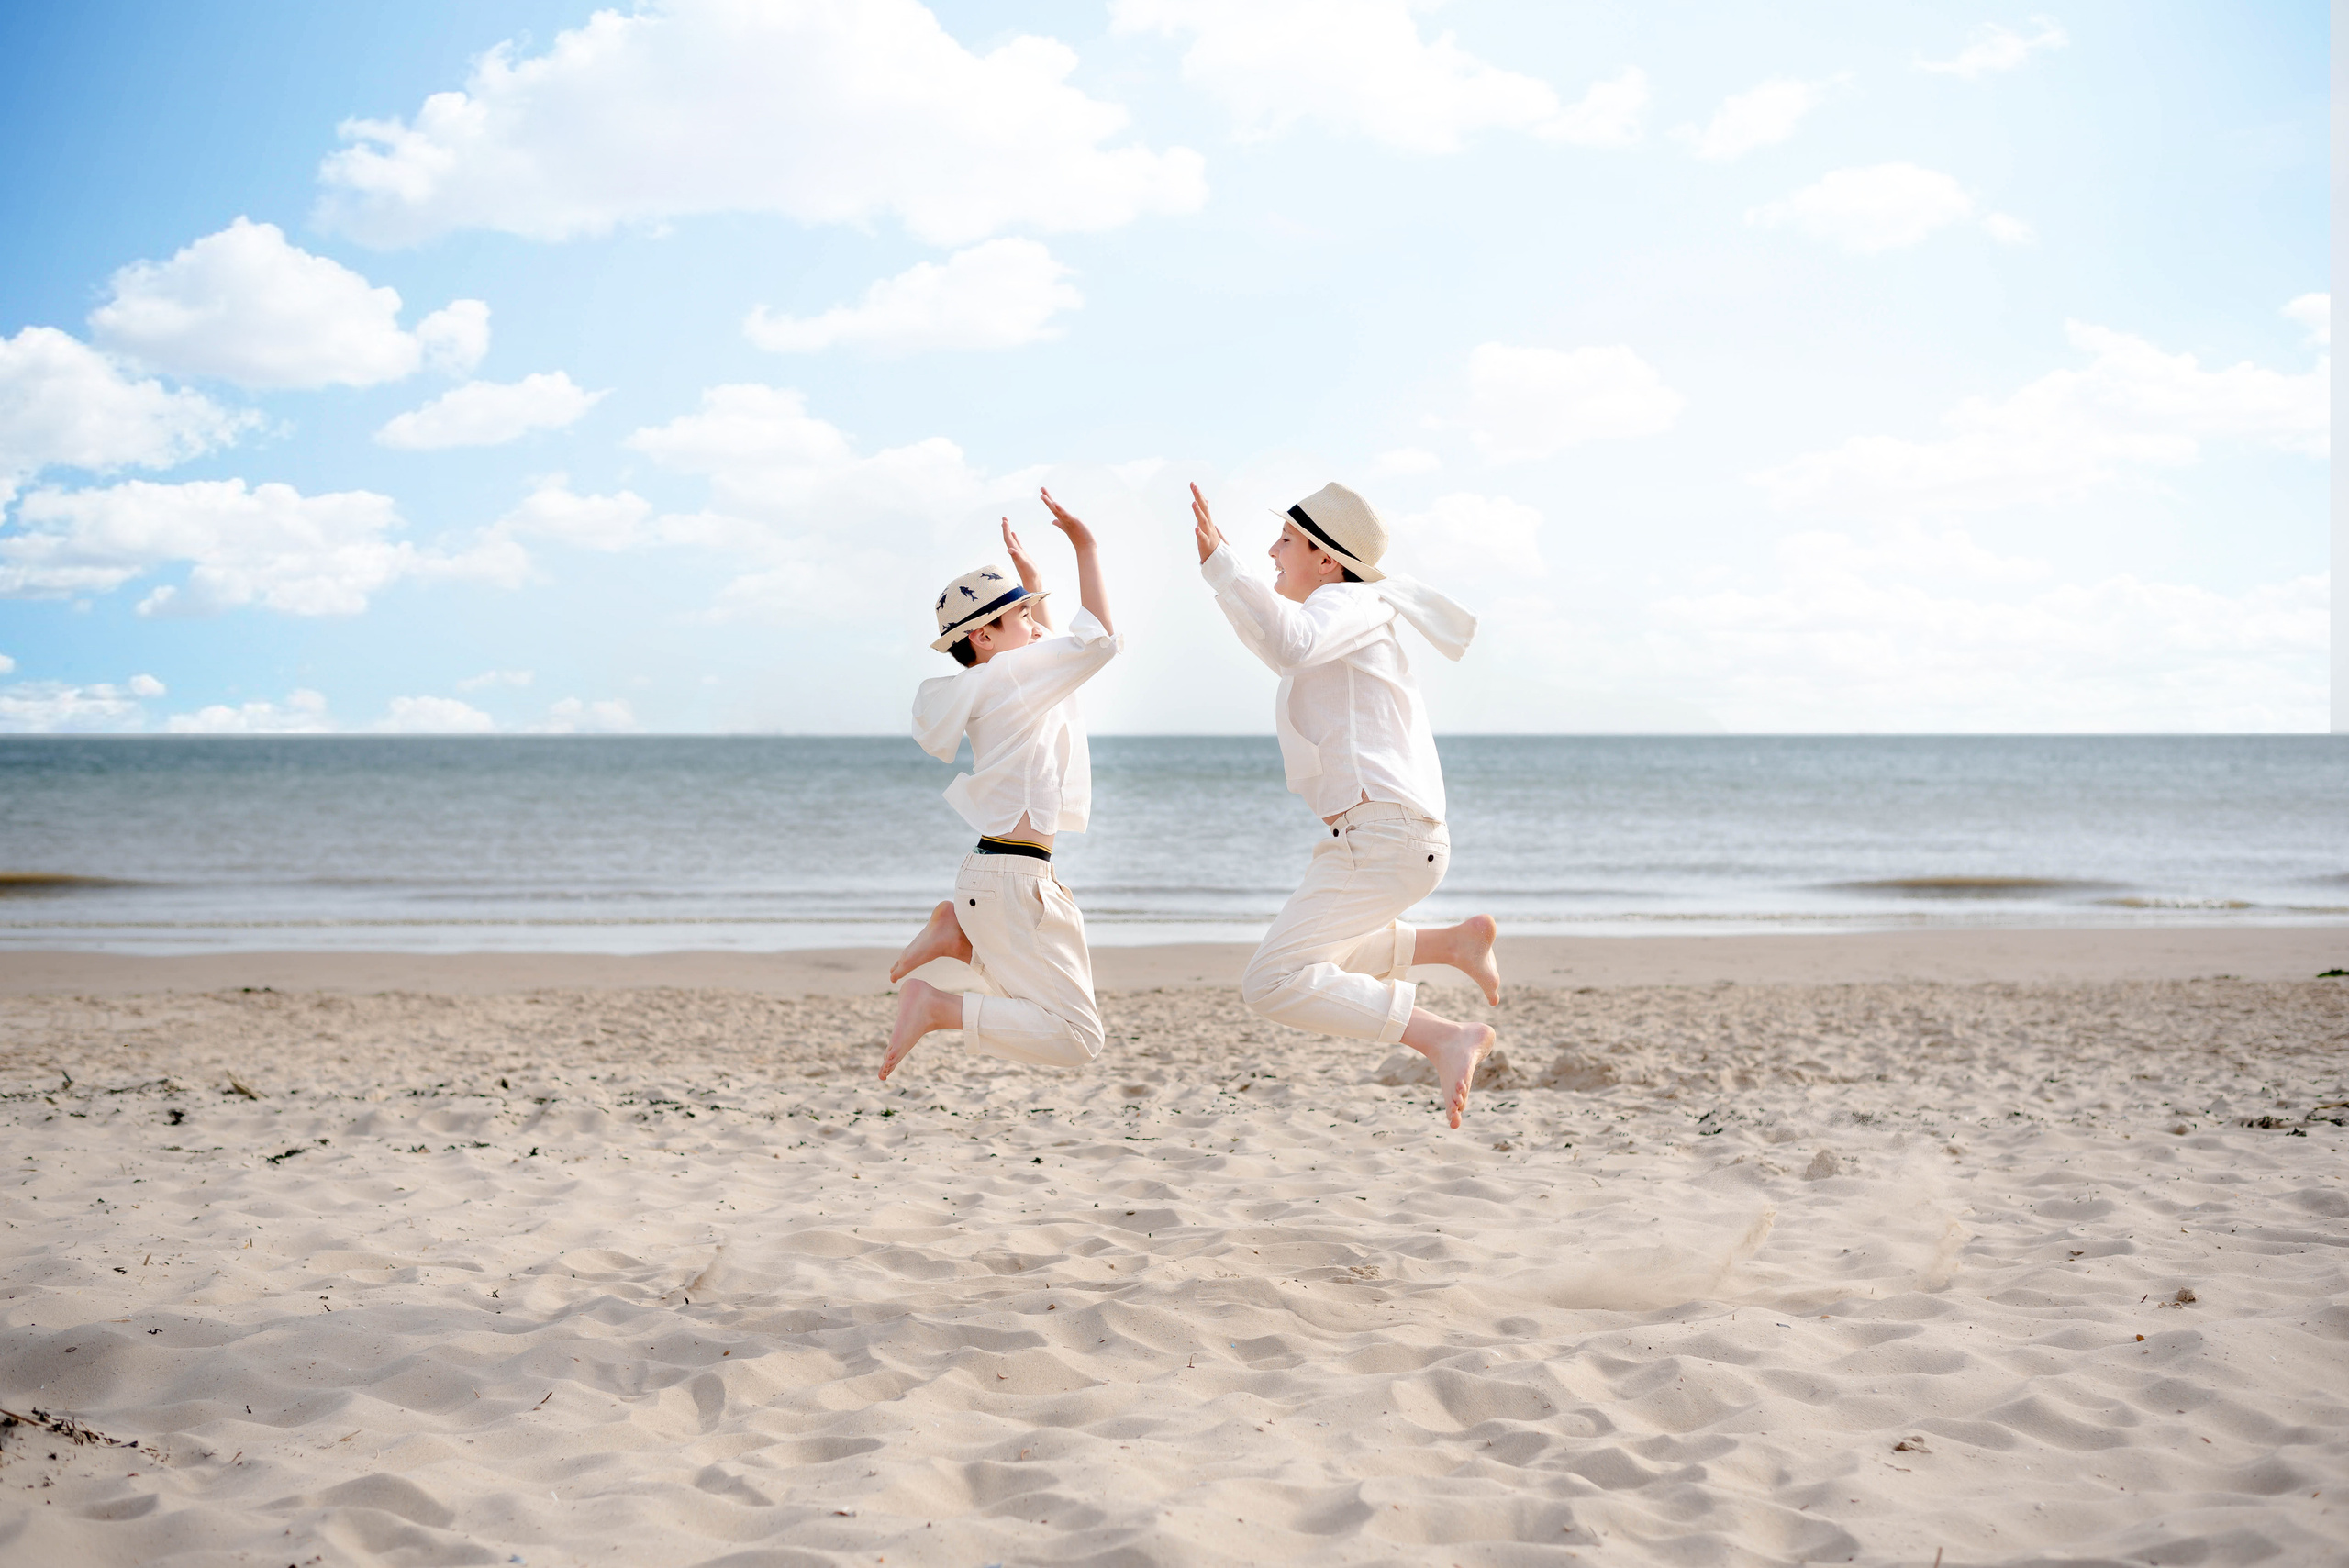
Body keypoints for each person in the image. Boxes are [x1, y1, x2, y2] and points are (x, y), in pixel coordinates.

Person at [1189, 480, 1500, 1128]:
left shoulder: (1352, 603)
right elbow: (1276, 644)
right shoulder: (1339, 616)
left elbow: (1290, 643)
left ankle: (1442, 1035)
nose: (1272, 549)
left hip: (1383, 835)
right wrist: (1219, 573)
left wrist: (1224, 563)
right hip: (1384, 837)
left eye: (1284, 539)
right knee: (1302, 958)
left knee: (1272, 980)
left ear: (1327, 559)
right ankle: (1450, 944)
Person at [882, 489, 1119, 1081]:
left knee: (1060, 1017)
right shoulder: (1014, 678)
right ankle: (937, 1004)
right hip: (1012, 879)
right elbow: (1100, 641)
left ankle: (958, 936)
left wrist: (1031, 580)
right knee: (1077, 1037)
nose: (1036, 628)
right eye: (1021, 617)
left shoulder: (1001, 678)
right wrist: (1085, 546)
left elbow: (1042, 640)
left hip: (1008, 874)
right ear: (985, 637)